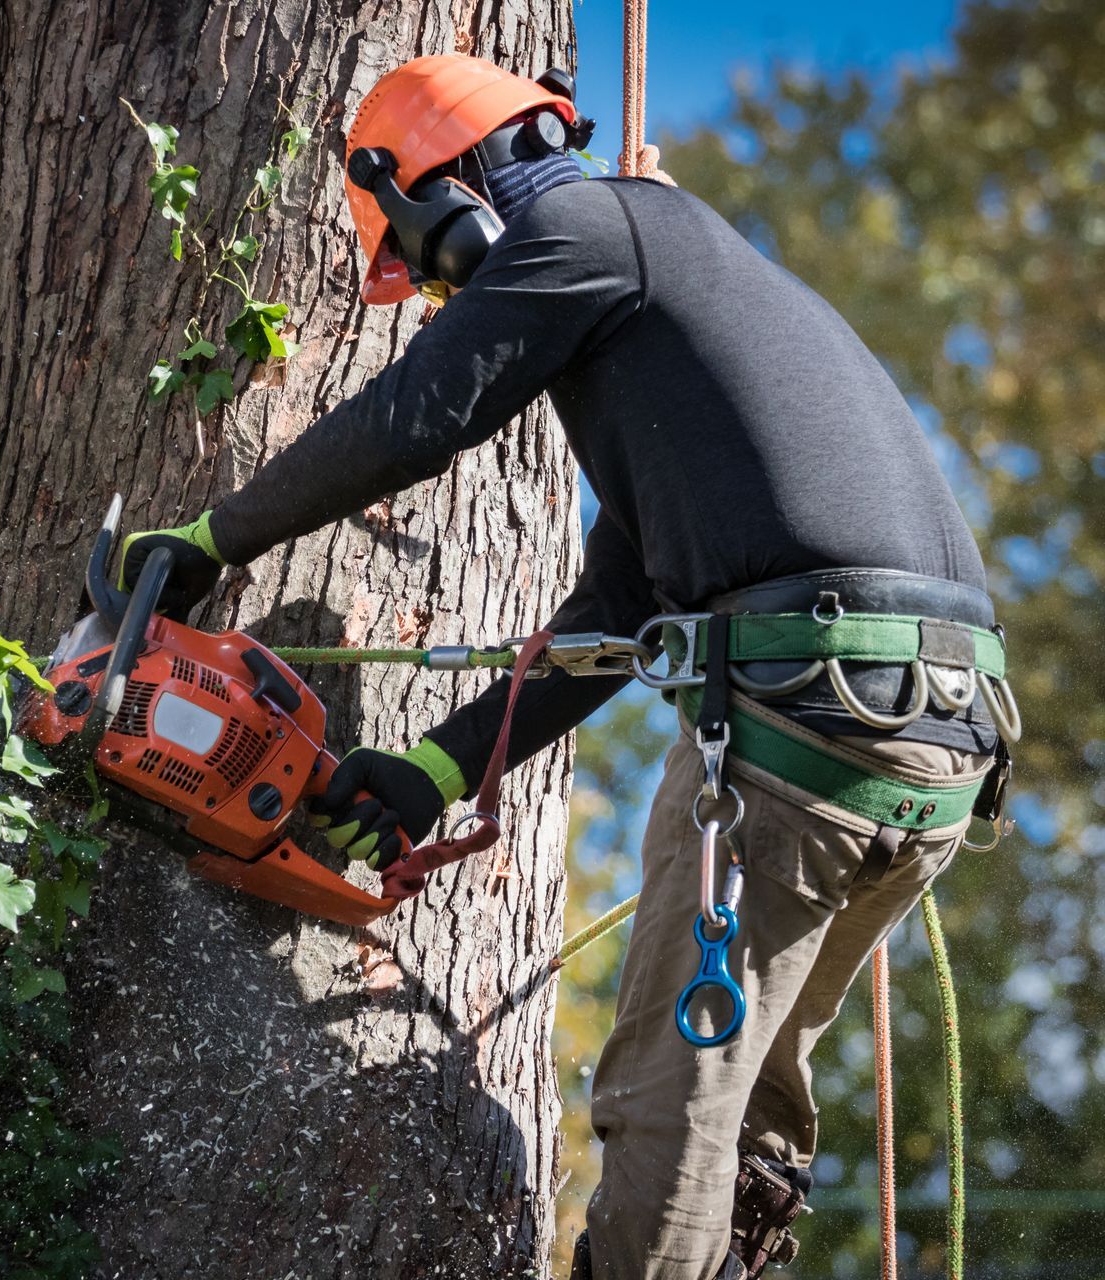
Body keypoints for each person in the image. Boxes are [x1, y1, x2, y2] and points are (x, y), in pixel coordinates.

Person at [118, 54, 1013, 1280]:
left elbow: (421, 415)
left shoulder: (594, 224)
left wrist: (209, 539)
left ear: (453, 195)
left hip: (810, 733)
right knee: (743, 1109)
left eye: (427, 268)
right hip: (929, 744)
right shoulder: (673, 303)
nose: (442, 303)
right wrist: (435, 768)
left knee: (665, 1107)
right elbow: (616, 614)